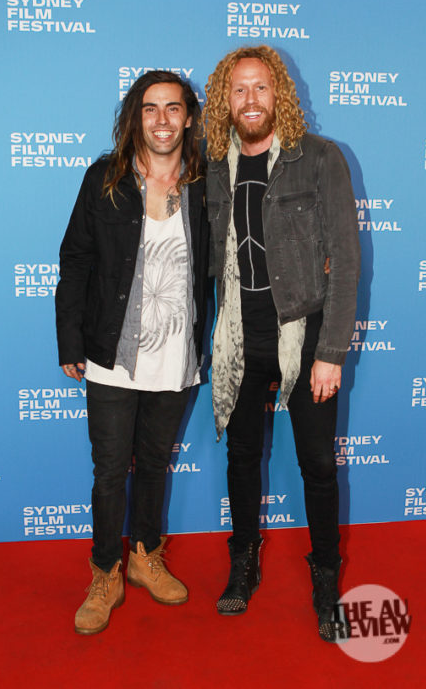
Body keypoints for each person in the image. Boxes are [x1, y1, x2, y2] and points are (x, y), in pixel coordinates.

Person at [203, 45, 360, 641]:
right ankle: (243, 562)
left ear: (280, 95)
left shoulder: (318, 158)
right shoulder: (213, 166)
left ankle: (326, 576)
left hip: (305, 330)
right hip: (239, 335)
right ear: (226, 100)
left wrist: (331, 353)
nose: (251, 100)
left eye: (261, 87)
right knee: (242, 457)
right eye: (239, 89)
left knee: (317, 463)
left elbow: (346, 262)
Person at [55, 71, 209, 635]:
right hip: (112, 355)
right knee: (110, 470)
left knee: (154, 464)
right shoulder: (106, 178)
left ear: (188, 117)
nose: (162, 120)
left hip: (176, 355)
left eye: (173, 108)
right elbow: (76, 259)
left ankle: (145, 556)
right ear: (135, 117)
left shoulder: (206, 182)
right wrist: (70, 338)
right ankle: (105, 572)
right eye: (150, 108)